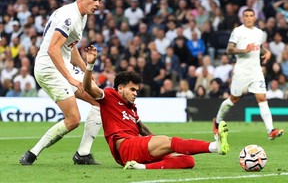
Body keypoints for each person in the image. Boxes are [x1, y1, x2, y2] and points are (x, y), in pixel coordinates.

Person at [81, 45, 229, 169]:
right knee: (170, 142)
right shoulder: (109, 96)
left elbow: (142, 129)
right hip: (126, 146)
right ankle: (215, 146)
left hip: (136, 149)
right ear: (120, 88)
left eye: (137, 91)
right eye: (132, 90)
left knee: (187, 160)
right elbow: (88, 87)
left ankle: (141, 167)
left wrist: (155, 140)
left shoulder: (132, 108)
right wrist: (90, 65)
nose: (135, 94)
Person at [19, 0, 104, 165]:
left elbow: (69, 46)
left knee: (100, 102)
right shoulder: (70, 16)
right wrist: (70, 78)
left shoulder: (82, 15)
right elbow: (52, 49)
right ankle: (31, 154)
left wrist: (85, 69)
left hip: (62, 64)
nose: (98, 4)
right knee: (73, 119)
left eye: (99, 0)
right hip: (48, 68)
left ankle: (83, 154)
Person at [213, 9, 284, 140]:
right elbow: (229, 50)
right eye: (246, 16)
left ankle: (271, 130)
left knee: (262, 99)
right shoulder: (238, 31)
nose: (249, 18)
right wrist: (243, 50)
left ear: (255, 18)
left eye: (251, 16)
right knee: (233, 100)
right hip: (241, 71)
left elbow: (259, 47)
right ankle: (217, 121)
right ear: (243, 18)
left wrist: (266, 52)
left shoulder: (259, 33)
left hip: (256, 71)